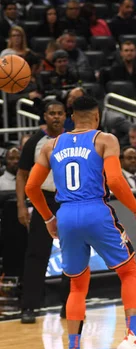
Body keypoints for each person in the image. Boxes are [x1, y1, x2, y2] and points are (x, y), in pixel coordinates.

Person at [24, 96, 136, 349]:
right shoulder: (104, 139)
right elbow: (117, 181)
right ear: (97, 117)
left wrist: (48, 218)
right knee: (129, 272)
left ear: (71, 116)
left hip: (67, 215)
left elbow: (32, 186)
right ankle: (132, 337)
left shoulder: (51, 145)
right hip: (96, 209)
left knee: (76, 287)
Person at [17, 101, 70, 324]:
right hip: (44, 200)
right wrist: (21, 205)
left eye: (60, 113)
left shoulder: (74, 138)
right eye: (52, 114)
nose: (56, 117)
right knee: (37, 254)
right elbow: (21, 174)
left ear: (66, 116)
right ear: (45, 117)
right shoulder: (35, 142)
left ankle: (69, 305)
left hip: (70, 200)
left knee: (73, 255)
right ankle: (29, 306)